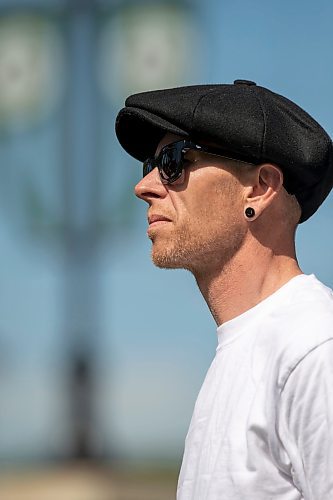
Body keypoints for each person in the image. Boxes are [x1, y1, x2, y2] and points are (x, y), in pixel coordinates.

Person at [115, 80, 333, 499]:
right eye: (150, 165)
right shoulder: (242, 351)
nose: (145, 187)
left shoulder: (313, 348)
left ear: (260, 187)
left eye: (173, 161)